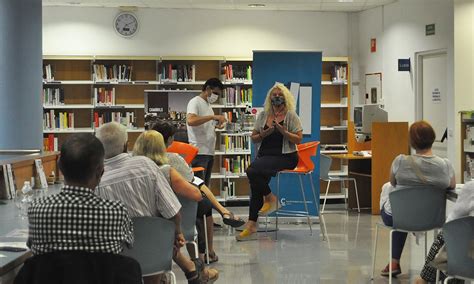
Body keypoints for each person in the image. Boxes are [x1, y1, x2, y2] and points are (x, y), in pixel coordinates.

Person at [95, 122, 217, 284]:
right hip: (156, 253)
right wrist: (178, 233)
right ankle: (190, 271)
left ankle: (190, 270)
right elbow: (173, 211)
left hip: (119, 262)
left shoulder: (96, 181)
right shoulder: (146, 166)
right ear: (126, 145)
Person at [138, 123, 245, 263]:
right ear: (170, 139)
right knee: (202, 199)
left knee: (198, 184)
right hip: (180, 208)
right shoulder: (172, 160)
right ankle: (208, 251)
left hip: (149, 215)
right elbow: (194, 191)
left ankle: (222, 212)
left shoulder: (139, 164)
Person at [27, 133, 134, 255]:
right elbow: (129, 244)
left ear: (60, 167)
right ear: (101, 172)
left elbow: (31, 245)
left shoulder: (37, 209)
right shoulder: (117, 212)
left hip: (53, 274)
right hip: (100, 274)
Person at [378, 120, 455, 277]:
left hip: (399, 217)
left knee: (395, 203)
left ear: (411, 142)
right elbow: (452, 186)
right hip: (431, 218)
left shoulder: (400, 161)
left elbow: (393, 182)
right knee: (407, 211)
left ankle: (394, 261)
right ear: (433, 139)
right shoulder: (445, 165)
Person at [236, 83, 303, 241]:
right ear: (269, 98)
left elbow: (299, 139)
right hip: (265, 156)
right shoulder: (263, 115)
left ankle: (270, 200)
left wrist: (283, 132)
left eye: (280, 94)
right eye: (274, 94)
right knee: (256, 184)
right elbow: (254, 138)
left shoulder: (291, 115)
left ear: (286, 97)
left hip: (286, 157)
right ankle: (253, 223)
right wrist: (263, 134)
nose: (277, 97)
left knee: (252, 171)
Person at [415, 181, 474, 284]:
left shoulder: (471, 187)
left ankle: (426, 278)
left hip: (468, 257)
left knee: (450, 234)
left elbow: (451, 221)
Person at [186, 78, 226, 186]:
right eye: (215, 93)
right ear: (208, 88)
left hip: (208, 152)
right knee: (199, 188)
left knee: (205, 187)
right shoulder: (195, 102)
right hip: (199, 152)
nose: (216, 96)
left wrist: (215, 126)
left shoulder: (207, 105)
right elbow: (191, 120)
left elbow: (204, 125)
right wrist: (212, 116)